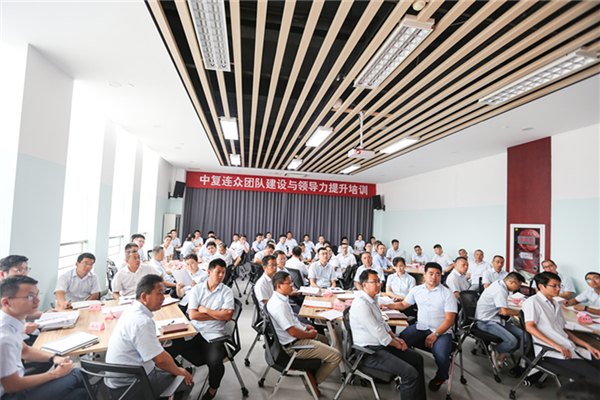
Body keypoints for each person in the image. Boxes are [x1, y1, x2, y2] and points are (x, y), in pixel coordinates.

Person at [105, 274, 193, 399]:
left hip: (117, 381)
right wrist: (180, 371)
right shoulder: (142, 322)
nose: (163, 298)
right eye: (159, 294)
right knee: (186, 381)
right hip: (131, 385)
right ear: (144, 297)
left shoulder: (131, 310)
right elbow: (160, 360)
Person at [0, 276, 87, 400]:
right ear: (6, 302)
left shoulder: (9, 324)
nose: (37, 300)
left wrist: (54, 357)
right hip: (11, 394)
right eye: (30, 296)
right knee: (78, 374)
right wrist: (55, 374)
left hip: (15, 387)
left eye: (37, 295)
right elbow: (12, 386)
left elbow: (25, 350)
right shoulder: (4, 338)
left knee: (79, 393)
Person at [351, 269, 426, 400]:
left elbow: (382, 323)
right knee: (410, 374)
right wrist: (396, 344)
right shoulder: (362, 305)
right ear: (364, 285)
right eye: (374, 282)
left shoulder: (373, 299)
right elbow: (379, 334)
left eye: (379, 281)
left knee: (417, 359)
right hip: (369, 352)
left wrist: (395, 337)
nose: (379, 284)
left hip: (382, 345)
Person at [167, 258, 234, 400]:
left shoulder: (226, 291)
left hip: (215, 334)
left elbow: (227, 316)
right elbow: (193, 315)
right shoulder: (197, 289)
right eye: (218, 272)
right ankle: (181, 375)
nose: (221, 275)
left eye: (223, 272)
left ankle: (212, 389)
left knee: (215, 362)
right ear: (209, 272)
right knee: (168, 349)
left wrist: (205, 310)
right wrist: (217, 314)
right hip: (195, 330)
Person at [266, 271, 341, 396]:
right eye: (289, 283)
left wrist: (304, 326)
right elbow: (292, 332)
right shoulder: (278, 305)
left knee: (325, 340)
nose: (292, 285)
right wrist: (309, 335)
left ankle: (313, 370)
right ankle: (313, 382)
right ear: (279, 286)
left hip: (296, 337)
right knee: (336, 356)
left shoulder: (281, 298)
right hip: (295, 345)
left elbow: (292, 320)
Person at [391, 263, 457, 391]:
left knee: (442, 356)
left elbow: (450, 320)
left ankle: (441, 377)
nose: (434, 277)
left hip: (441, 331)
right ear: (424, 274)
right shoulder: (417, 290)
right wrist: (387, 305)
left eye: (438, 274)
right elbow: (403, 305)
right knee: (399, 341)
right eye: (431, 274)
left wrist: (435, 334)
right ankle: (406, 371)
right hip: (420, 327)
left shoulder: (447, 293)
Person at [523, 271, 600, 379]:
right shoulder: (533, 302)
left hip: (568, 346)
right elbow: (529, 327)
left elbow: (563, 330)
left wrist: (587, 346)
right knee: (595, 377)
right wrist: (556, 346)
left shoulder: (555, 303)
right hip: (551, 351)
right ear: (541, 286)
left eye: (559, 286)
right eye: (554, 286)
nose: (558, 289)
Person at [475, 272, 525, 370]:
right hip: (485, 321)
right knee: (512, 341)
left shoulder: (499, 283)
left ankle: (501, 355)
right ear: (511, 282)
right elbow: (504, 312)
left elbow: (502, 311)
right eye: (518, 286)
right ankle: (496, 349)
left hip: (495, 319)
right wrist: (522, 312)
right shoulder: (500, 290)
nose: (517, 289)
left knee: (524, 337)